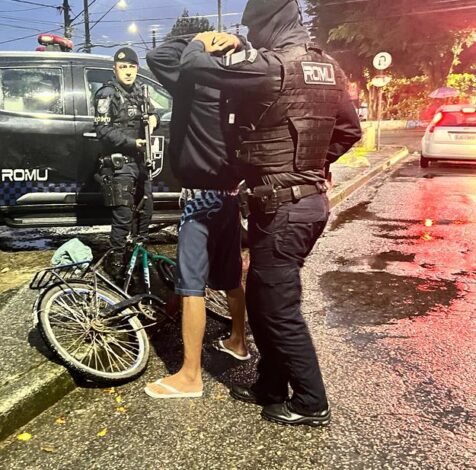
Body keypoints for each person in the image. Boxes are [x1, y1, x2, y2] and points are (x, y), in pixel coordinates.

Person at [178, 0, 362, 426]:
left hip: (285, 210)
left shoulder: (270, 66)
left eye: (254, 27)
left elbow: (192, 70)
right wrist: (313, 167)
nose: (252, 35)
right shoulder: (329, 68)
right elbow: (349, 130)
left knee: (279, 308)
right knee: (262, 298)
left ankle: (311, 401)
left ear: (269, 22)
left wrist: (201, 42)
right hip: (299, 204)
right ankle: (271, 386)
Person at [143, 36, 249, 400]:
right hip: (230, 197)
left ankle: (190, 376)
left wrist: (197, 40)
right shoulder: (240, 84)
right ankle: (238, 341)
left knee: (191, 286)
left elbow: (157, 54)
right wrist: (239, 41)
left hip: (200, 200)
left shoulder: (191, 81)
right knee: (232, 275)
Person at [93, 47, 158, 276]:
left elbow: (153, 113)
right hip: (119, 164)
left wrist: (153, 119)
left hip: (141, 163)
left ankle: (137, 262)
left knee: (145, 212)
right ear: (115, 69)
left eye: (132, 67)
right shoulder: (107, 93)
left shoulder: (142, 91)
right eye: (123, 67)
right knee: (123, 218)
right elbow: (102, 129)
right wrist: (133, 143)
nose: (128, 72)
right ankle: (117, 269)